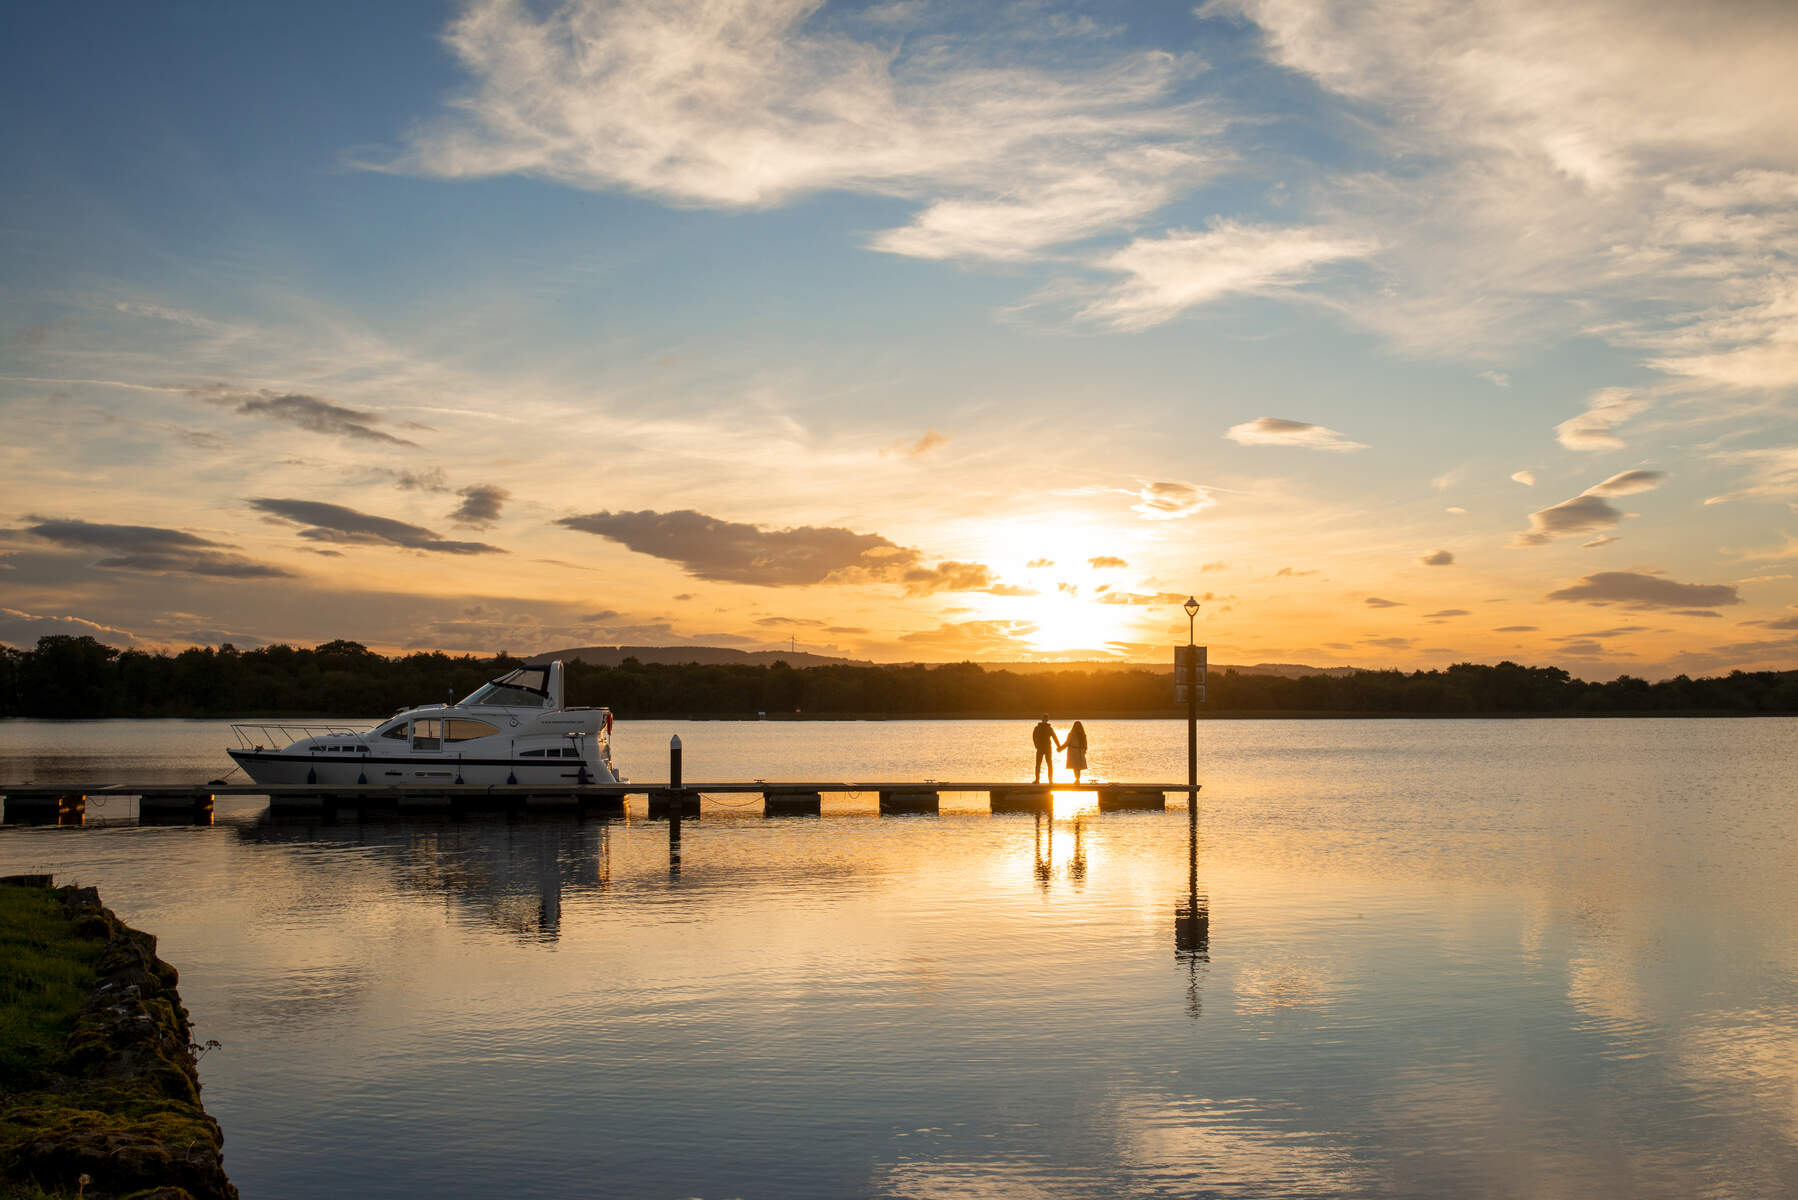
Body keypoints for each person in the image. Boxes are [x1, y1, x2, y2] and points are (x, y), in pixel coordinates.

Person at [1032, 715, 1061, 783]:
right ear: (1046, 719)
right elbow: (1054, 738)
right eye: (1045, 719)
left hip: (1043, 748)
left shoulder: (1039, 728)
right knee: (1047, 764)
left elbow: (1034, 737)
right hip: (1044, 748)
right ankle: (1047, 780)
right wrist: (1059, 746)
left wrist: (1036, 745)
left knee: (1041, 764)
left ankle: (1039, 780)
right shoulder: (1043, 728)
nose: (1045, 720)